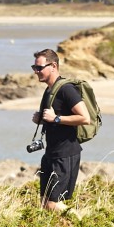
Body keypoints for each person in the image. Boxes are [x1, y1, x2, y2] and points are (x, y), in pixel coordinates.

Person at [30, 49, 89, 213]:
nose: (36, 72)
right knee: (44, 202)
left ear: (53, 66)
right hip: (51, 154)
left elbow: (85, 118)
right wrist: (41, 120)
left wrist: (56, 118)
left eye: (39, 68)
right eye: (34, 68)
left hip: (65, 155)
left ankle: (84, 223)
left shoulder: (66, 90)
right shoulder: (49, 90)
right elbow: (52, 118)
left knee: (53, 204)